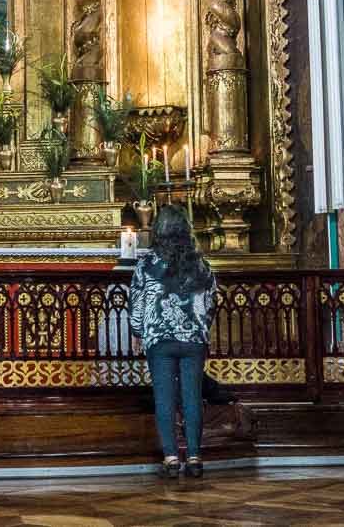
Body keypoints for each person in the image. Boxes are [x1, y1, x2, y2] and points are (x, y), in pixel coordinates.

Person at [130, 204, 217, 480]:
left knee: (164, 398)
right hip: (193, 339)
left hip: (160, 339)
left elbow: (138, 302)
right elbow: (211, 301)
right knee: (192, 397)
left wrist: (137, 332)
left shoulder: (147, 263)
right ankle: (194, 457)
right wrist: (202, 329)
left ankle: (170, 457)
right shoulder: (201, 264)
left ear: (158, 231)